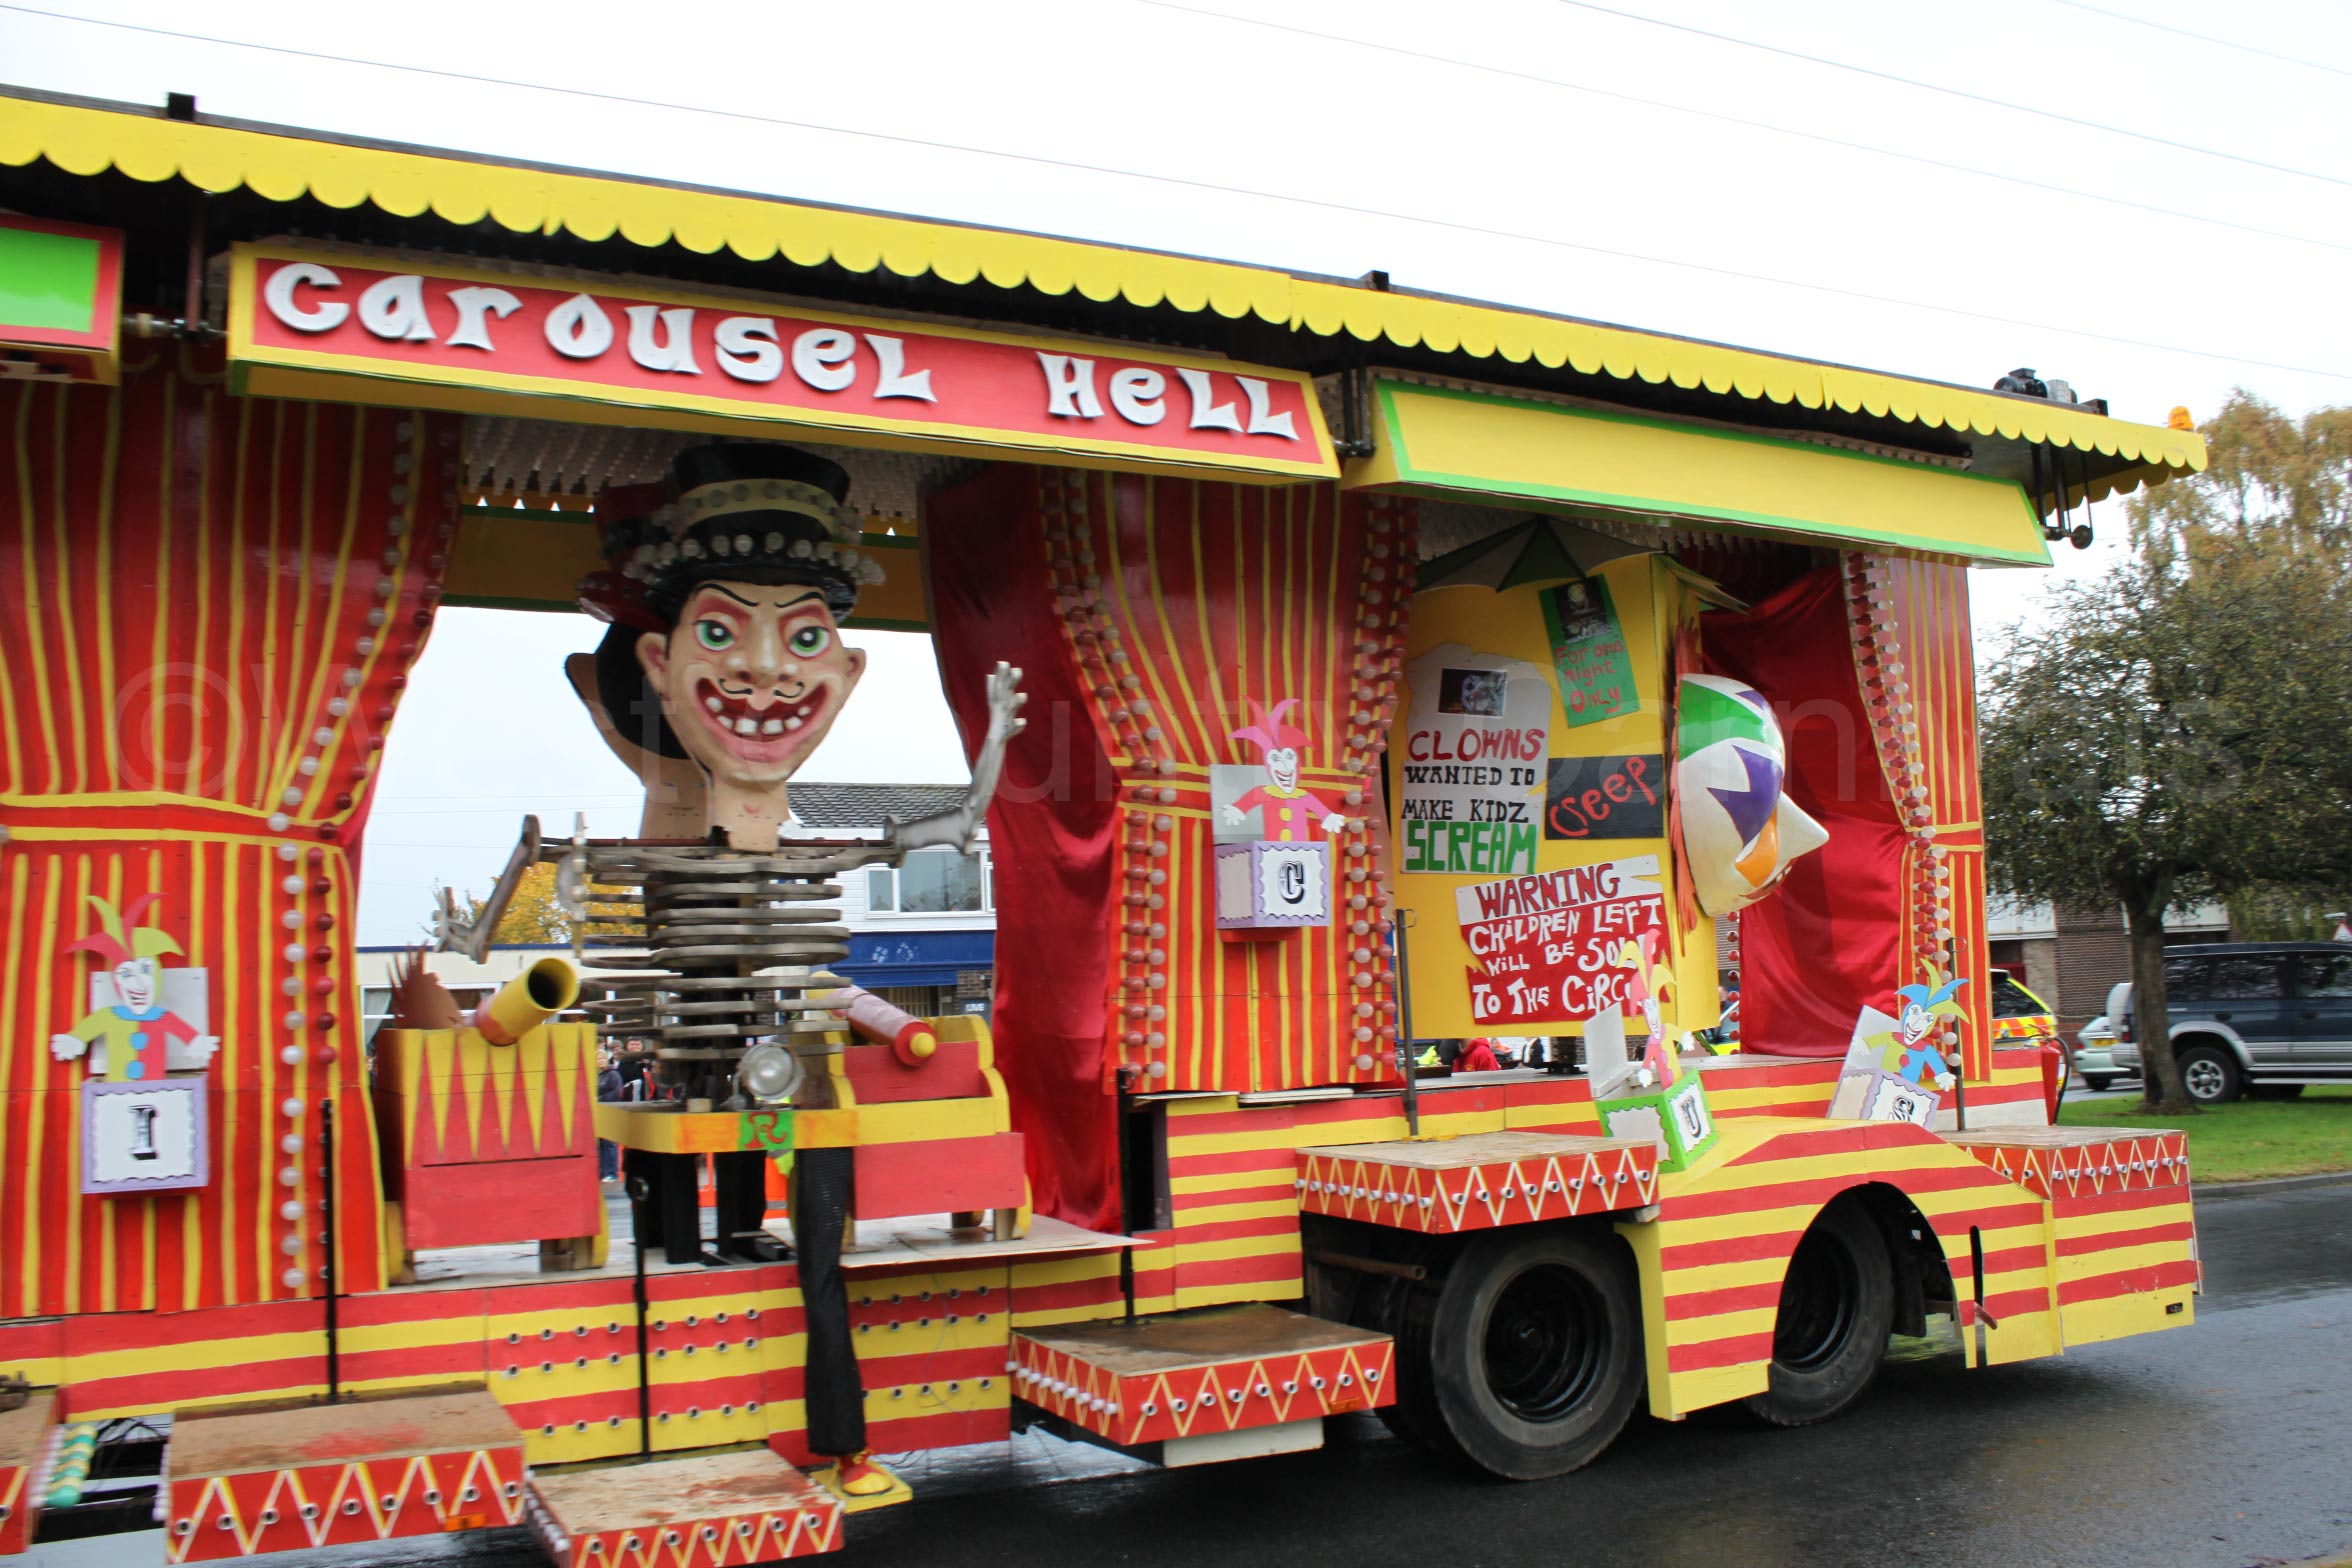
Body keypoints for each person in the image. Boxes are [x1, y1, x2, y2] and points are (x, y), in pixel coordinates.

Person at [595, 1046, 624, 1182]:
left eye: (603, 1058)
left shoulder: (613, 1074)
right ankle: (603, 1172)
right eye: (598, 1058)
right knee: (601, 1144)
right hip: (599, 1113)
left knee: (610, 1143)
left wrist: (598, 1099)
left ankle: (612, 1173)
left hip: (611, 1112)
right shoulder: (597, 1077)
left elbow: (617, 1093)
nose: (600, 1060)